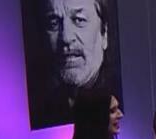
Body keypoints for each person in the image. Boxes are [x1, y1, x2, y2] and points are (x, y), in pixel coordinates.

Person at [25, 0, 122, 129]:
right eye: (54, 23)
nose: (66, 37)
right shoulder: (45, 107)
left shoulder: (117, 94)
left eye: (79, 20)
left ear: (104, 33)